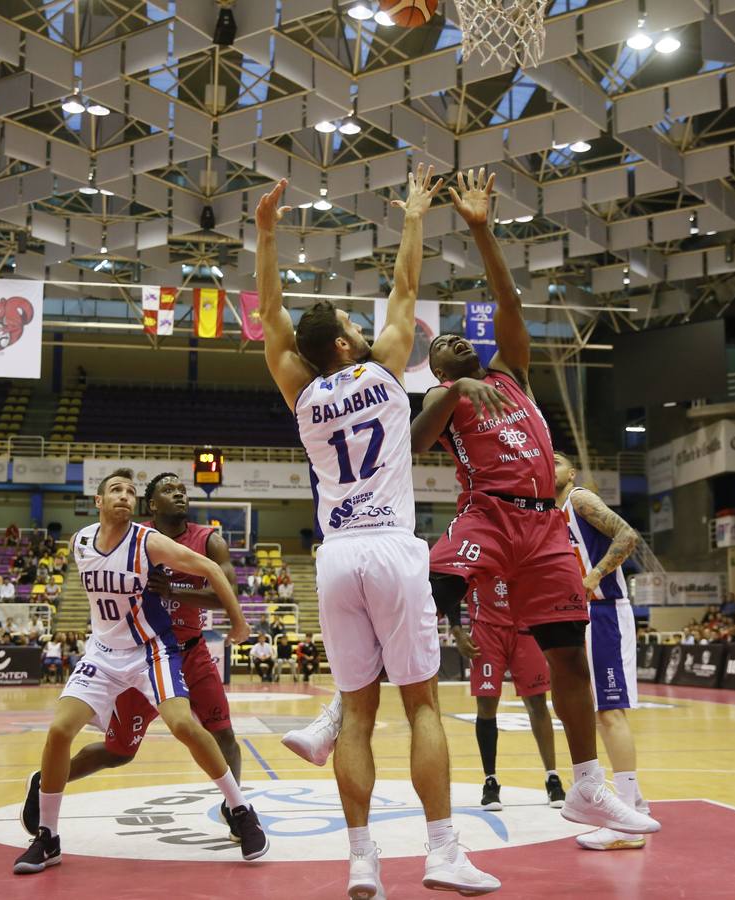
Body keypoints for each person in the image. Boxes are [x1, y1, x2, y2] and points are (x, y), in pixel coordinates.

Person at [256, 168, 499, 896]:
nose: (368, 333)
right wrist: (416, 215)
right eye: (354, 331)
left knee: (354, 716)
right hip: (393, 545)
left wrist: (267, 233)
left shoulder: (298, 389)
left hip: (336, 558)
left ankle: (362, 861)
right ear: (342, 346)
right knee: (421, 703)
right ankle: (442, 852)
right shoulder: (386, 370)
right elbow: (405, 286)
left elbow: (271, 315)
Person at [410, 169, 658, 841]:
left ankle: (585, 786)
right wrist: (453, 394)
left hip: (544, 523)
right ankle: (343, 711)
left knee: (568, 656)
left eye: (460, 339)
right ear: (435, 370)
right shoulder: (447, 399)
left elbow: (508, 302)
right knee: (429, 587)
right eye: (442, 348)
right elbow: (411, 444)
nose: (456, 343)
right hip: (486, 514)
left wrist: (481, 229)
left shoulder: (512, 376)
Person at [10, 468, 264, 875]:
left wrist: (200, 603)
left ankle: (239, 811)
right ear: (150, 503)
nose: (179, 495)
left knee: (215, 730)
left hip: (177, 650)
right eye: (168, 489)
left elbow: (222, 583)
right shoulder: (85, 542)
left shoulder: (188, 539)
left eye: (183, 490)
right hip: (109, 654)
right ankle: (47, 818)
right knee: (113, 750)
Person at [554, 452, 653, 851]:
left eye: (559, 461)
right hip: (587, 615)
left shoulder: (579, 499)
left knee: (610, 713)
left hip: (606, 610)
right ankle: (636, 802)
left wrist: (593, 576)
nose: (551, 466)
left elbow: (627, 534)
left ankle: (627, 823)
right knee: (600, 713)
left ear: (572, 471)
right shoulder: (552, 511)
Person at [450, 578, 564, 812]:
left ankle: (552, 777)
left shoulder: (524, 543)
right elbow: (451, 587)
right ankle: (490, 781)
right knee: (486, 705)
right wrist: (457, 631)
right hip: (485, 629)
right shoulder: (472, 548)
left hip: (525, 628)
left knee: (537, 701)